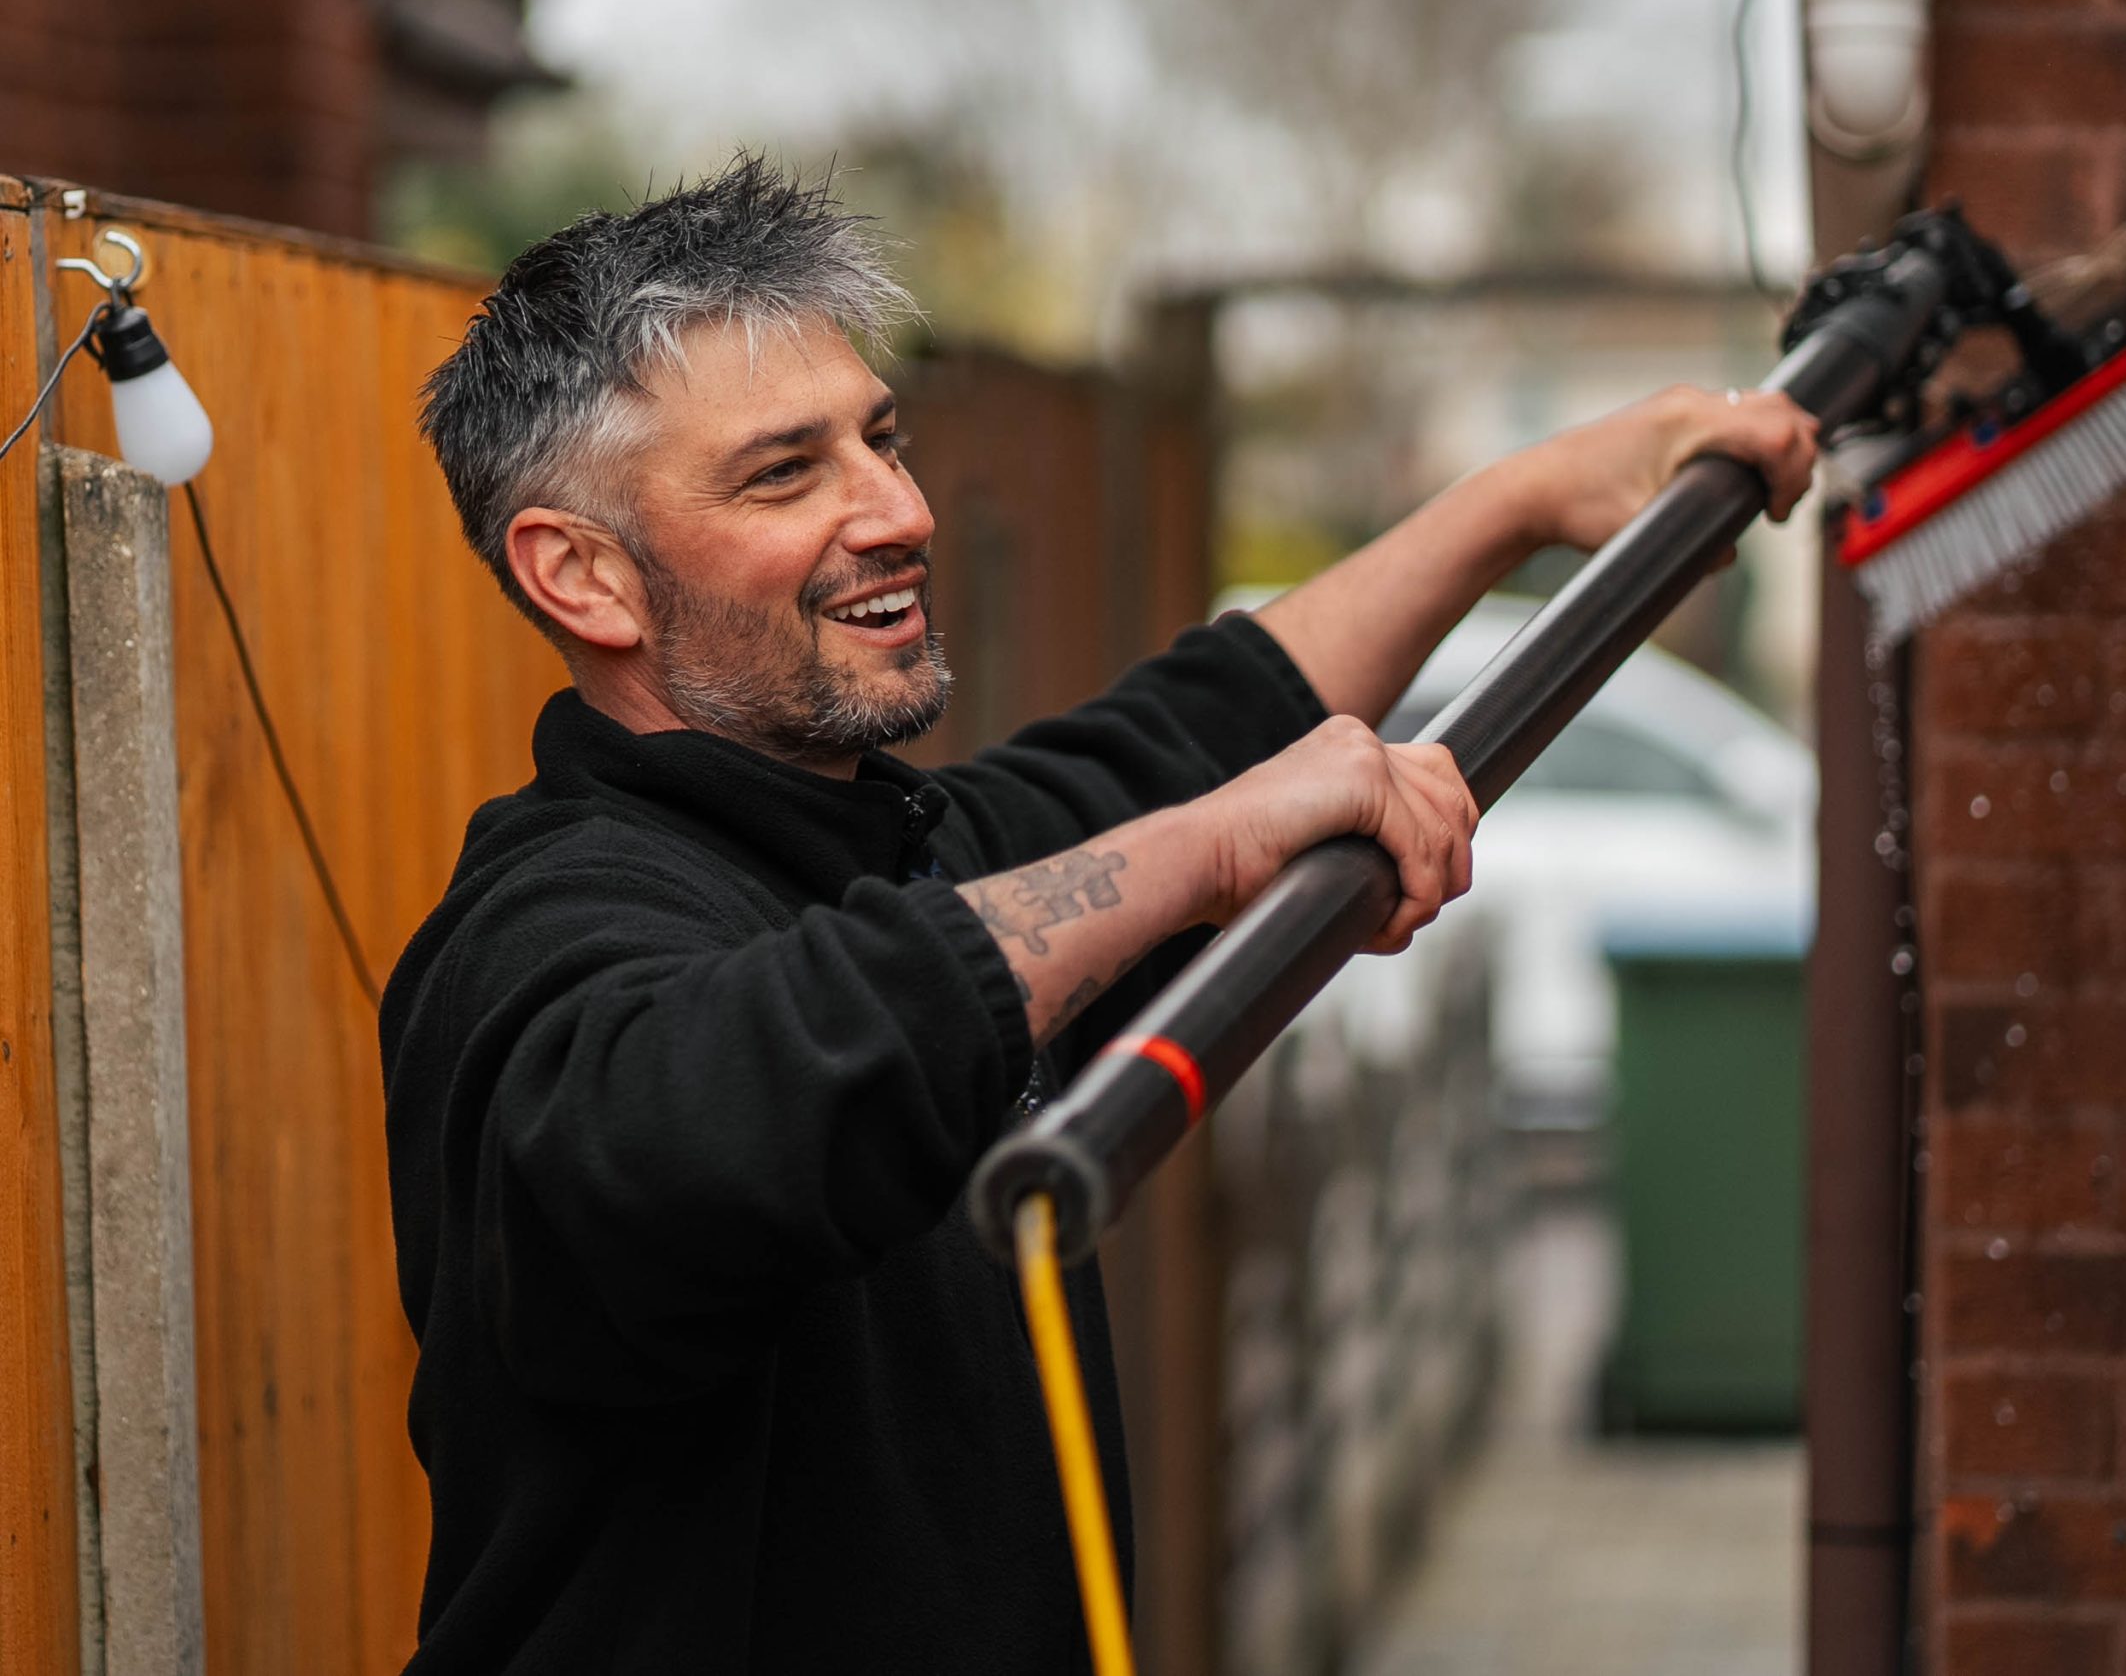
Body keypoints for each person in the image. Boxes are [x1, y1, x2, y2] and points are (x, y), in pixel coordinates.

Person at [385, 155, 1818, 1673]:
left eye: (882, 439)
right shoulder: (539, 932)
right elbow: (747, 1085)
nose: (900, 510)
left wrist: (1521, 500)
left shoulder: (890, 849)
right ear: (585, 577)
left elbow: (1200, 722)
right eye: (784, 473)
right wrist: (1201, 853)